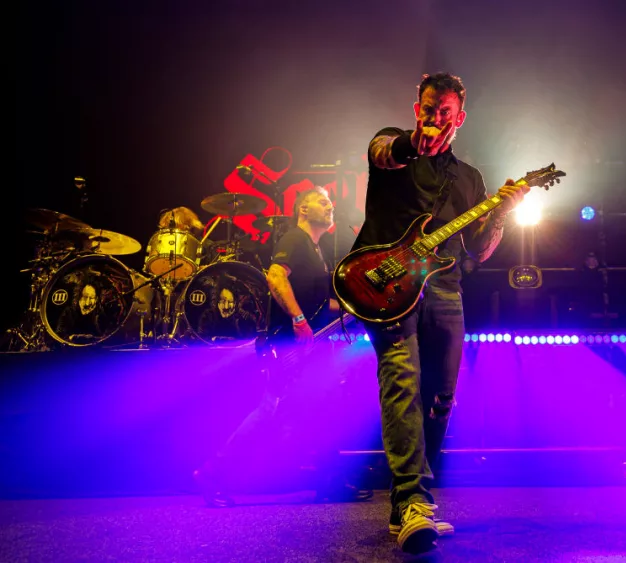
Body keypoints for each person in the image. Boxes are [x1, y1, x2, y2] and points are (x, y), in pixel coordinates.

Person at [349, 72, 529, 554]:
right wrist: (413, 143)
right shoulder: (391, 147)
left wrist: (503, 213)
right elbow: (383, 151)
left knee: (440, 397)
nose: (435, 118)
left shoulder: (469, 178)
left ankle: (408, 500)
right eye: (429, 108)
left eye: (444, 112)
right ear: (417, 107)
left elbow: (480, 251)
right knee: (402, 377)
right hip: (386, 283)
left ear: (460, 118)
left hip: (445, 289)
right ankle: (411, 499)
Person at [192, 186, 371, 507]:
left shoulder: (315, 249)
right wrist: (298, 320)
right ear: (302, 210)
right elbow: (275, 278)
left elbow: (317, 304)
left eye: (330, 202)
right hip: (288, 343)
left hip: (305, 344)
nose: (330, 207)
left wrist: (354, 307)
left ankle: (328, 481)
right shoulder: (294, 239)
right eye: (322, 201)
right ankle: (211, 474)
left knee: (324, 405)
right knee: (271, 409)